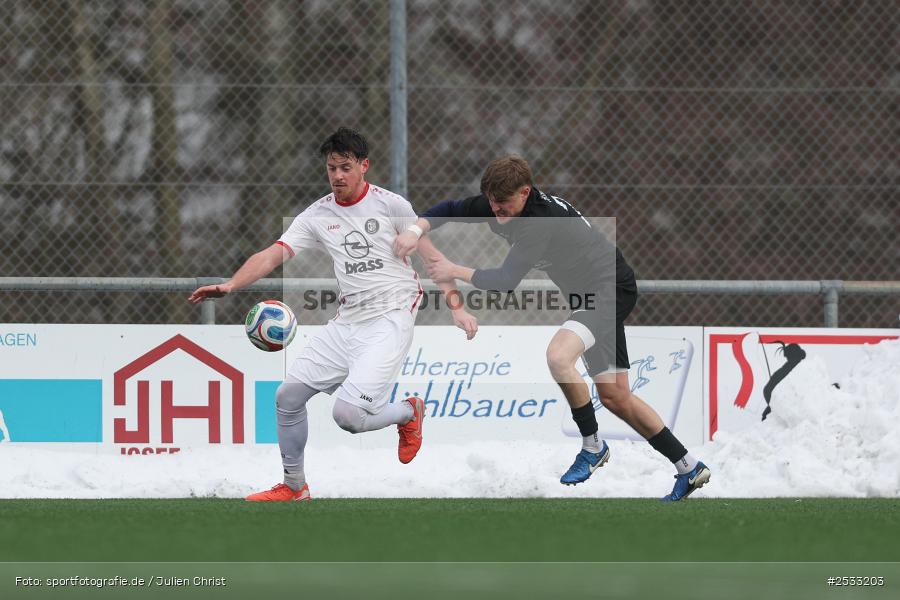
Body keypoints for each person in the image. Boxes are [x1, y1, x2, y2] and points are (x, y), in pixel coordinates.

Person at [394, 155, 711, 501]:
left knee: (559, 357)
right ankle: (688, 466)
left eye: (503, 205)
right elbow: (452, 208)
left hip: (608, 290)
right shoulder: (498, 200)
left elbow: (505, 281)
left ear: (525, 192)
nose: (496, 212)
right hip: (591, 294)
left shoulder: (539, 223)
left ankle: (592, 447)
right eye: (492, 204)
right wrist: (416, 229)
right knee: (616, 397)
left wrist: (452, 269)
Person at [189, 128, 477, 502]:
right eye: (331, 168)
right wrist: (232, 284)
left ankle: (407, 413)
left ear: (364, 166)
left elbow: (433, 259)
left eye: (345, 167)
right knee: (288, 397)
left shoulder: (392, 205)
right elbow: (272, 254)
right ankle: (294, 487)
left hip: (391, 318)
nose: (338, 176)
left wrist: (457, 307)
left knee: (348, 416)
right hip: (348, 321)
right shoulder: (317, 214)